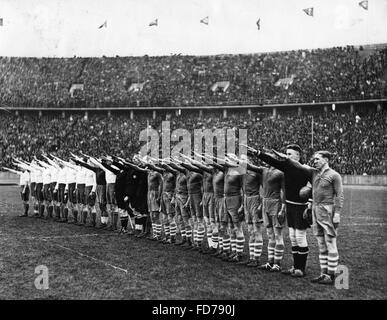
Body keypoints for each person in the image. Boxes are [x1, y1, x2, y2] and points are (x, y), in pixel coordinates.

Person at [273, 150, 344, 285]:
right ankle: (323, 274)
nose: (315, 161)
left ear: (326, 160)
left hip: (328, 210)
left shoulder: (334, 175)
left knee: (330, 243)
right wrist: (287, 159)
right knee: (321, 244)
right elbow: (299, 166)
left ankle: (332, 275)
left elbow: (340, 196)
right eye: (314, 159)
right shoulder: (313, 172)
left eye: (317, 159)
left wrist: (337, 214)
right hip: (316, 210)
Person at [254, 144, 311, 277]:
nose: (287, 156)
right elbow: (271, 161)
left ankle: (300, 269)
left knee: (300, 237)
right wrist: (257, 153)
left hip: (300, 206)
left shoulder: (305, 169)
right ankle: (295, 266)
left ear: (298, 155)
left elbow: (313, 186)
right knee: (293, 237)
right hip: (290, 206)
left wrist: (309, 204)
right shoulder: (286, 167)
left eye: (290, 154)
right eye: (287, 153)